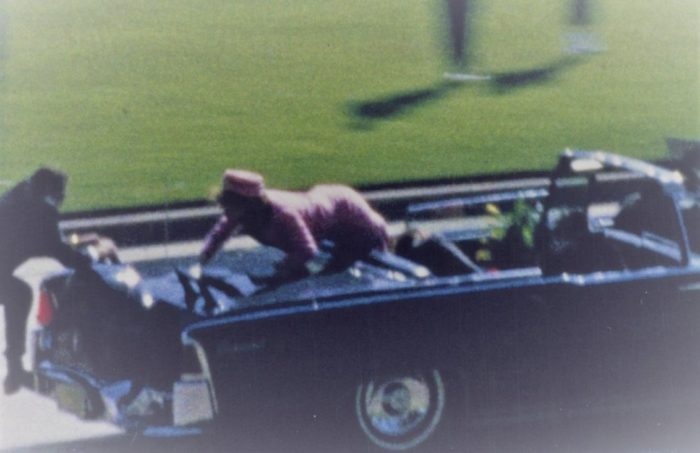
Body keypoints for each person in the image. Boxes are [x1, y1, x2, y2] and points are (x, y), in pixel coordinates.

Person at [200, 169, 390, 281]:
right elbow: (219, 234)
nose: (227, 214)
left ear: (250, 205)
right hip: (327, 210)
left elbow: (307, 250)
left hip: (355, 221)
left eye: (232, 207)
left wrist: (283, 267)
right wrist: (204, 257)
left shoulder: (285, 214)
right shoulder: (239, 213)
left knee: (367, 275)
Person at [0, 168, 91, 395]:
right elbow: (55, 249)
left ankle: (14, 364)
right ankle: (14, 365)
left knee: (17, 292)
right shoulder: (41, 210)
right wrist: (86, 261)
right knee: (18, 294)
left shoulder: (17, 198)